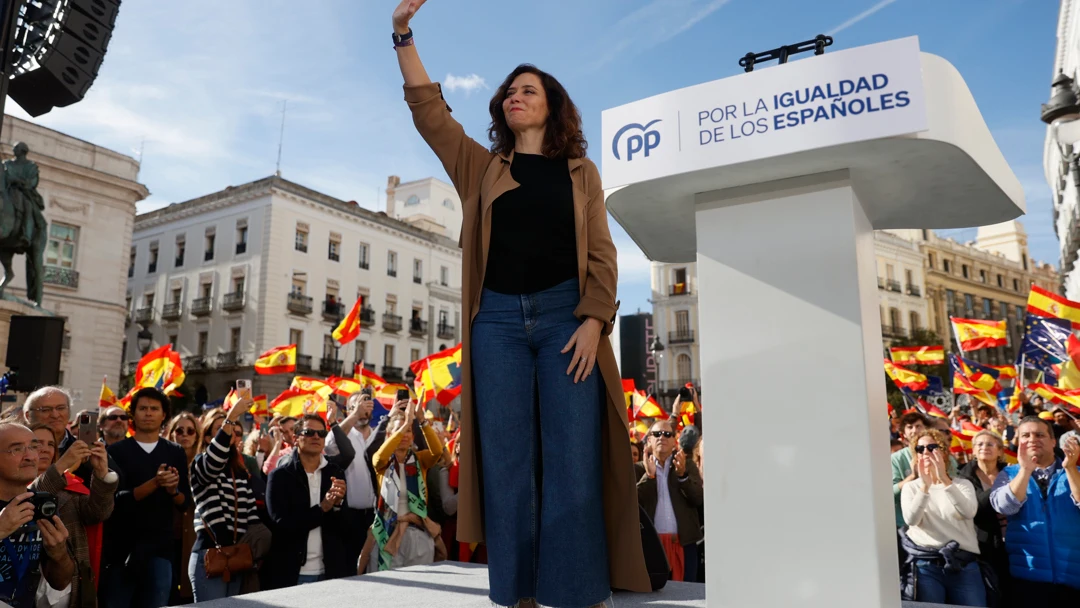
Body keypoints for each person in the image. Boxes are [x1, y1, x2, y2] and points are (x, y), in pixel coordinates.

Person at [393, 1, 648, 604]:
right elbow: (432, 117)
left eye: (528, 89)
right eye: (509, 90)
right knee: (507, 464)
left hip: (566, 319)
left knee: (572, 460)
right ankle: (518, 592)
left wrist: (593, 320)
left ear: (552, 105)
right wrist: (402, 34)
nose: (515, 95)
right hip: (499, 323)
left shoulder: (581, 173)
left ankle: (573, 591)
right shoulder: (481, 167)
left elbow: (604, 259)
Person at [102, 387, 192, 608]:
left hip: (160, 549)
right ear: (133, 414)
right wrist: (155, 483)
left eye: (154, 408)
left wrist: (172, 491)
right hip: (120, 551)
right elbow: (114, 501)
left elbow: (185, 503)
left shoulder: (175, 451)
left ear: (164, 415)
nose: (148, 413)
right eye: (143, 408)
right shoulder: (116, 451)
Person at [991, 416, 1080, 604]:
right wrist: (1025, 470)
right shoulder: (1008, 474)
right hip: (1028, 579)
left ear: (1053, 441)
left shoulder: (1075, 471)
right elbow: (1003, 506)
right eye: (1026, 435)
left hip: (1074, 577)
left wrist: (1071, 469)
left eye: (1039, 434)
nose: (1032, 439)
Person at [29, 423, 116, 608]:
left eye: (51, 444)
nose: (45, 449)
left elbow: (98, 513)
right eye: (37, 443)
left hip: (66, 586)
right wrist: (61, 466)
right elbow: (31, 495)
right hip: (21, 582)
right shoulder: (8, 483)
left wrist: (101, 474)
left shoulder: (71, 485)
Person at [264, 414, 354, 587]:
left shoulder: (335, 473)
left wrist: (337, 506)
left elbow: (346, 527)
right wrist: (323, 508)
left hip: (331, 572)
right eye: (309, 432)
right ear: (295, 439)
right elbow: (282, 524)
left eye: (321, 433)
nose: (316, 436)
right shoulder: (280, 476)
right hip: (292, 573)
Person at [898, 429, 985, 606]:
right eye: (920, 449)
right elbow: (911, 520)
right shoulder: (911, 488)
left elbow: (968, 512)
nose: (926, 452)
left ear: (944, 452)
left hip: (964, 564)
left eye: (931, 447)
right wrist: (925, 487)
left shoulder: (962, 484)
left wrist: (944, 480)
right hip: (926, 566)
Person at [188, 396, 258, 601]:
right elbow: (213, 464)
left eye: (236, 432)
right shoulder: (201, 463)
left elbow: (250, 515)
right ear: (210, 437)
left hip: (236, 556)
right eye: (222, 429)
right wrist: (232, 416)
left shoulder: (240, 471)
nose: (231, 434)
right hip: (209, 555)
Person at [0, 422, 74, 607]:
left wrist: (59, 554)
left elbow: (60, 583)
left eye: (33, 447)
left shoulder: (42, 505)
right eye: (16, 449)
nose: (31, 456)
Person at [367, 402, 444, 572]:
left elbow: (437, 452)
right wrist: (405, 423)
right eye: (399, 430)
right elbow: (379, 456)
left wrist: (421, 420)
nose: (404, 435)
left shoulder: (420, 460)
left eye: (408, 430)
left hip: (417, 532)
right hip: (387, 532)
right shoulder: (382, 462)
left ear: (413, 436)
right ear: (389, 435)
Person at [636, 418, 704, 583]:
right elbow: (634, 504)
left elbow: (698, 499)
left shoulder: (686, 465)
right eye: (657, 434)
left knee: (688, 596)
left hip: (684, 545)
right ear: (649, 440)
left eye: (667, 434)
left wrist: (683, 477)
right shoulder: (638, 468)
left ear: (675, 441)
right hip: (652, 547)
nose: (662, 437)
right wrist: (649, 477)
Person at [324, 390, 378, 570]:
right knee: (348, 567)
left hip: (375, 517)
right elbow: (329, 445)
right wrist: (355, 414)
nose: (364, 411)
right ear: (348, 411)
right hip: (348, 518)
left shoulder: (378, 435)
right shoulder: (344, 434)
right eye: (357, 406)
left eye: (367, 406)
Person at [956, 430, 1010, 600]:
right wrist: (1000, 487)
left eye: (990, 444)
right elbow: (976, 509)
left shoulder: (1012, 473)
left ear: (1000, 451)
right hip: (981, 545)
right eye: (979, 444)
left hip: (1013, 542)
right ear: (973, 451)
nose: (984, 447)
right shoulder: (963, 477)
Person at [164, 412, 201, 604]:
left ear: (197, 436)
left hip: (193, 536)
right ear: (171, 433)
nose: (184, 435)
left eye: (190, 431)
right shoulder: (162, 460)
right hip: (166, 534)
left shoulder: (202, 463)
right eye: (179, 430)